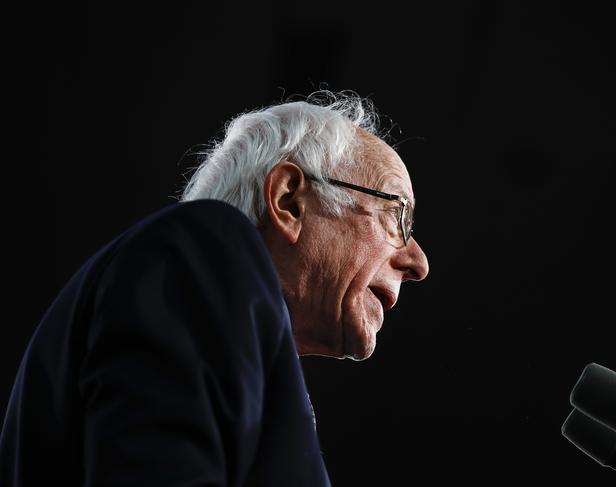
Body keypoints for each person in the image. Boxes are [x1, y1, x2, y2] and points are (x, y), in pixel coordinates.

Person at [0, 90, 429, 486]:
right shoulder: (207, 247)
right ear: (287, 201)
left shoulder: (215, 316)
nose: (418, 263)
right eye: (397, 216)